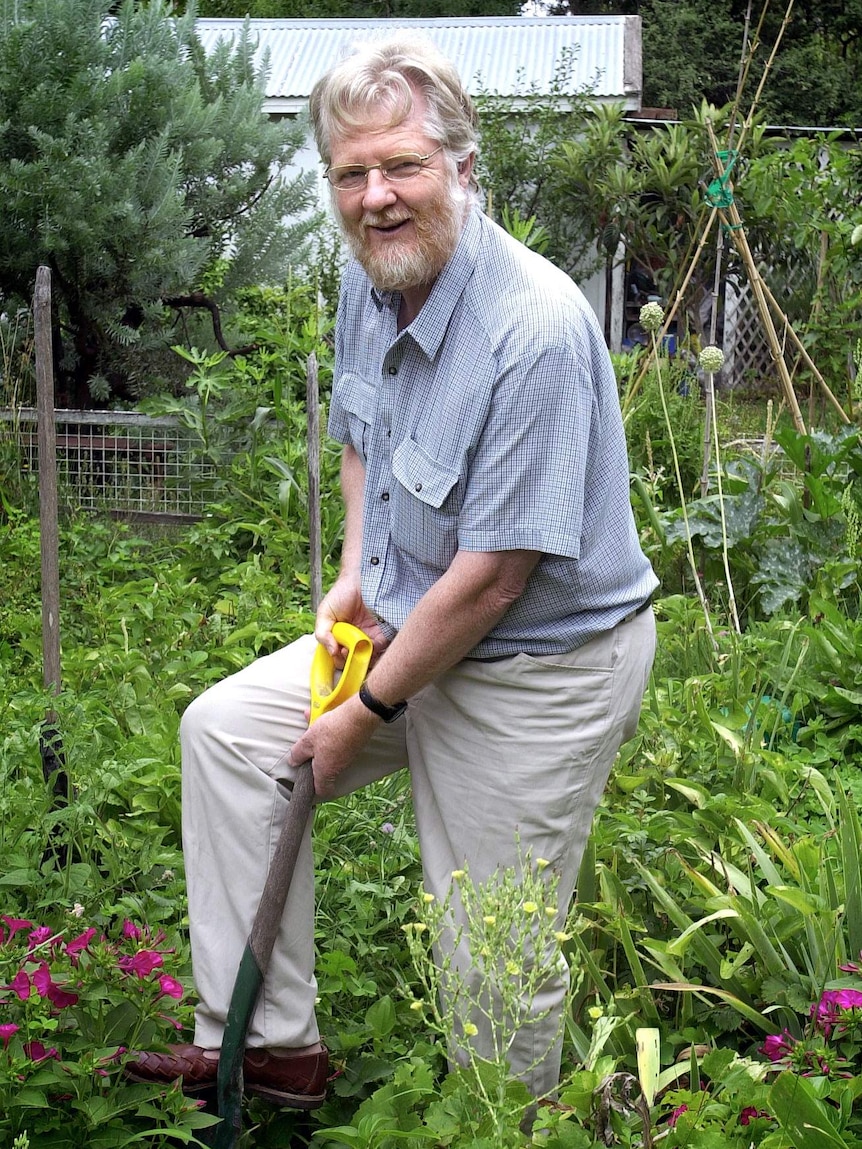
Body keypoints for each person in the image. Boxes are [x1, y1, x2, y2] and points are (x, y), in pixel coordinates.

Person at [128, 33, 658, 1109]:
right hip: (417, 620)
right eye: (351, 173)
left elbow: (495, 580)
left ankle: (505, 1126)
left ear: (463, 168)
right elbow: (365, 437)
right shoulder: (373, 280)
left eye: (402, 166)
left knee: (486, 947)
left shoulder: (535, 332)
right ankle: (272, 1045)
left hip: (535, 671)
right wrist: (353, 580)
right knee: (229, 736)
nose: (375, 197)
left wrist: (364, 710)